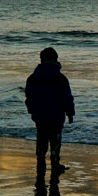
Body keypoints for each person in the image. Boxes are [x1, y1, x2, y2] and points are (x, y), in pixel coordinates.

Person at [25, 47, 75, 175]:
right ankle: (55, 163)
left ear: (41, 60)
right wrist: (70, 113)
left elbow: (29, 97)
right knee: (55, 141)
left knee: (41, 139)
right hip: (56, 115)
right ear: (56, 59)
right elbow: (67, 97)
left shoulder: (33, 78)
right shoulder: (60, 78)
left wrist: (32, 111)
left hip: (40, 115)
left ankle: (40, 163)